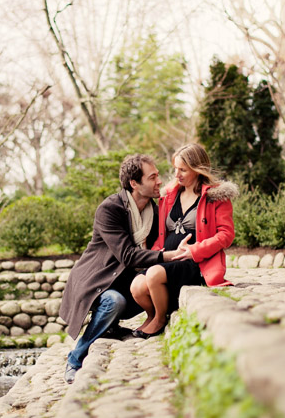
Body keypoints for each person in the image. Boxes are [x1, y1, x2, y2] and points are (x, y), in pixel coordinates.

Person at [59, 154, 190, 384]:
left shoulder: (154, 210)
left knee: (152, 289)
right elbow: (128, 255)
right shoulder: (110, 209)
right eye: (153, 177)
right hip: (98, 282)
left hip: (127, 282)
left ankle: (111, 325)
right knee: (114, 302)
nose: (159, 181)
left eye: (158, 175)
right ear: (134, 184)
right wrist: (167, 256)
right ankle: (75, 358)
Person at [129, 143, 237, 338]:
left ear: (197, 169)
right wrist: (154, 255)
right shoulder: (169, 196)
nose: (176, 174)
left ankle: (161, 319)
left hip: (195, 262)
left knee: (153, 275)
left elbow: (226, 235)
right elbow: (163, 235)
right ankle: (152, 315)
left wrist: (195, 250)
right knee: (136, 286)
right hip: (167, 259)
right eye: (175, 168)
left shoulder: (215, 196)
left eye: (183, 170)